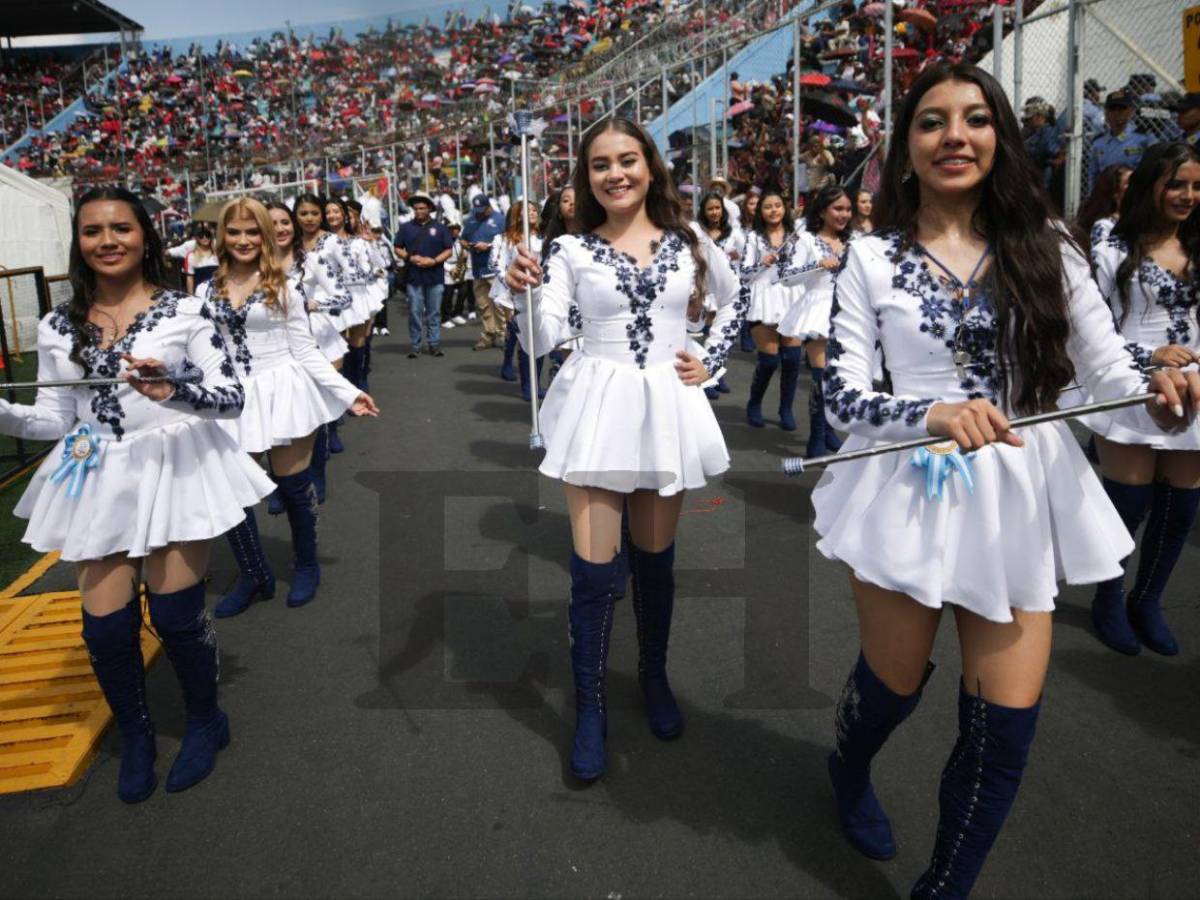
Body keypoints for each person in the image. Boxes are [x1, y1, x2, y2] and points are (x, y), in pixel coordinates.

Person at [813, 65, 1197, 897]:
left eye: (977, 119)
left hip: (1021, 495)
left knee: (1003, 733)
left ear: (1001, 139)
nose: (956, 135)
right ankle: (847, 771)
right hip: (907, 487)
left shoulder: (1048, 244)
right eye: (933, 122)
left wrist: (1162, 381)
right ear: (906, 147)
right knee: (895, 684)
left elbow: (1104, 366)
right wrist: (932, 415)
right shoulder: (870, 257)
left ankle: (943, 890)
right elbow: (841, 394)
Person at [0, 186, 277, 803]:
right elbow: (52, 419)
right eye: (93, 231)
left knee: (176, 614)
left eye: (120, 228)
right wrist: (2, 415)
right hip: (98, 474)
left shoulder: (187, 311)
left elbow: (231, 398)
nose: (108, 241)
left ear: (145, 236)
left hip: (176, 468)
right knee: (104, 630)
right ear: (78, 243)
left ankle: (206, 720)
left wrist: (169, 392)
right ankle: (139, 733)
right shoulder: (56, 324)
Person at [503, 117, 746, 783]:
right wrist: (520, 291)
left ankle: (654, 676)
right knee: (593, 573)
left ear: (650, 166)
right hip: (597, 405)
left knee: (656, 563)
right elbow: (538, 342)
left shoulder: (689, 239)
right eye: (602, 163)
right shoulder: (566, 253)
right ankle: (591, 707)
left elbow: (734, 297)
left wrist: (710, 360)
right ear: (587, 176)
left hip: (666, 406)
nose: (616, 173)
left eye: (628, 159)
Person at [200, 198, 378, 613]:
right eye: (235, 231)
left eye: (252, 231)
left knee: (294, 486)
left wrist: (347, 393)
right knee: (235, 489)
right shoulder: (207, 287)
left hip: (284, 390)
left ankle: (306, 565)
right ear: (222, 236)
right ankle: (254, 574)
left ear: (266, 235)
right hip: (233, 396)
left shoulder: (284, 283)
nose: (244, 240)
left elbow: (305, 349)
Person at [1083, 142, 1200, 658]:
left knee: (1179, 509)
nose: (1188, 195)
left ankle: (1147, 600)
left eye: (1196, 186)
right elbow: (1092, 323)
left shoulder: (1199, 239)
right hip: (1130, 381)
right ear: (1153, 183)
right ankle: (1109, 598)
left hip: (1195, 388)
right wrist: (1149, 354)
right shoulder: (1111, 239)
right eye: (1177, 184)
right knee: (1126, 506)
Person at [778, 183, 852, 456]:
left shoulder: (855, 241)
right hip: (818, 311)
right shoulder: (806, 239)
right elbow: (785, 277)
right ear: (822, 211)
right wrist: (816, 265)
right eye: (838, 209)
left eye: (847, 209)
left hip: (850, 314)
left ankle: (830, 430)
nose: (844, 215)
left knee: (839, 379)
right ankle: (816, 438)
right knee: (823, 375)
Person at [295, 193, 354, 456]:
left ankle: (332, 429)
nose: (309, 218)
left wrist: (323, 297)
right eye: (303, 213)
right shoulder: (289, 243)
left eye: (314, 213)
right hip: (295, 320)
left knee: (330, 378)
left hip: (328, 313)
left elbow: (350, 272)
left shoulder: (331, 241)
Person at [742, 190, 804, 430]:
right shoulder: (753, 237)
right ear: (760, 211)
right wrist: (761, 262)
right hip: (764, 298)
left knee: (792, 359)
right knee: (768, 361)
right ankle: (754, 403)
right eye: (768, 206)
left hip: (792, 297)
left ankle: (785, 408)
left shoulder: (797, 235)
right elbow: (744, 272)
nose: (774, 210)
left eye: (778, 205)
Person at [492, 200, 543, 397]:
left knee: (530, 335)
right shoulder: (504, 239)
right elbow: (496, 265)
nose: (532, 213)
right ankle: (525, 384)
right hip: (510, 293)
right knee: (518, 331)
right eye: (527, 210)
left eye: (534, 209)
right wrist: (512, 286)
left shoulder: (543, 238)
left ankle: (531, 381)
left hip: (537, 293)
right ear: (517, 215)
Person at [394, 193, 454, 359]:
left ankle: (434, 344)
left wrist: (434, 261)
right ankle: (415, 345)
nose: (419, 211)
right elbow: (397, 247)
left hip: (435, 276)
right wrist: (409, 257)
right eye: (416, 208)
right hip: (414, 277)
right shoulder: (406, 228)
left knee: (434, 312)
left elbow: (448, 250)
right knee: (415, 311)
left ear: (429, 209)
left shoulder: (440, 228)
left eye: (422, 208)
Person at [698, 189, 744, 399]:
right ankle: (710, 372)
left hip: (729, 286)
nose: (714, 212)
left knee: (723, 329)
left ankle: (717, 371)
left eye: (717, 208)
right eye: (710, 209)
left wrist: (735, 256)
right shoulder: (699, 232)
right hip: (708, 285)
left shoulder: (733, 232)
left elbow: (746, 257)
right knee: (711, 329)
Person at [461, 195, 507, 350]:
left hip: (495, 268)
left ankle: (503, 333)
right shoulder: (471, 219)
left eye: (482, 210)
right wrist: (467, 245)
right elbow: (463, 238)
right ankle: (489, 333)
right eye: (477, 210)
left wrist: (488, 246)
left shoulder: (500, 220)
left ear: (489, 207)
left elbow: (509, 242)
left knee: (499, 303)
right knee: (483, 304)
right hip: (478, 269)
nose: (479, 213)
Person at [1088, 90, 1153, 190]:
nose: (1117, 113)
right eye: (1112, 109)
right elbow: (1093, 175)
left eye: (1122, 108)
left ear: (1131, 111)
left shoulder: (1143, 138)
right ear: (1106, 112)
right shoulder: (1098, 143)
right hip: (1107, 195)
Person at [1075, 164, 1133, 251]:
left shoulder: (1137, 220)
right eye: (1129, 183)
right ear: (1115, 192)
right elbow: (1101, 256)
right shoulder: (1104, 226)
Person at [440, 222, 472, 329]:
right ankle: (445, 318)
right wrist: (449, 269)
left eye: (457, 229)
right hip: (447, 269)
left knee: (463, 292)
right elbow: (439, 258)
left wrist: (466, 251)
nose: (455, 231)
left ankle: (456, 314)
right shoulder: (442, 241)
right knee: (447, 296)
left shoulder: (461, 241)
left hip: (460, 268)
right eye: (453, 229)